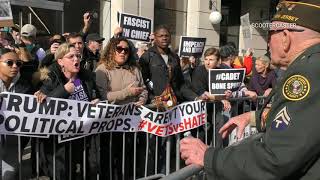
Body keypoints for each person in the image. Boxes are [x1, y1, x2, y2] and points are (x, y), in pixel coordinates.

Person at [180, 1, 320, 179]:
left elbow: (275, 159)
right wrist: (253, 117)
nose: (267, 43)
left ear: (285, 36)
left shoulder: (307, 73)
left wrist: (209, 157)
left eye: (270, 34)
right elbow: (305, 121)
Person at [34, 43, 100, 180]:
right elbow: (44, 106)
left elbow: (89, 96)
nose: (76, 59)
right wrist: (64, 90)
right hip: (60, 144)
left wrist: (93, 102)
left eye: (78, 56)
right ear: (60, 61)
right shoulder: (51, 78)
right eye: (71, 56)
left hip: (82, 138)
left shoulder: (83, 77)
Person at [95, 37, 147, 179]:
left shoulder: (134, 69)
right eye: (119, 49)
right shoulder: (102, 69)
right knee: (109, 161)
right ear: (111, 50)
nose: (123, 52)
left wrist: (142, 100)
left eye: (126, 50)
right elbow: (104, 96)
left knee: (127, 159)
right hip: (110, 124)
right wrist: (127, 93)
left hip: (130, 123)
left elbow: (143, 89)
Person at [0, 48, 32, 179]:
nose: (15, 66)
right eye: (9, 63)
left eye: (18, 63)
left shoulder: (25, 86)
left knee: (10, 175)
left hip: (14, 141)